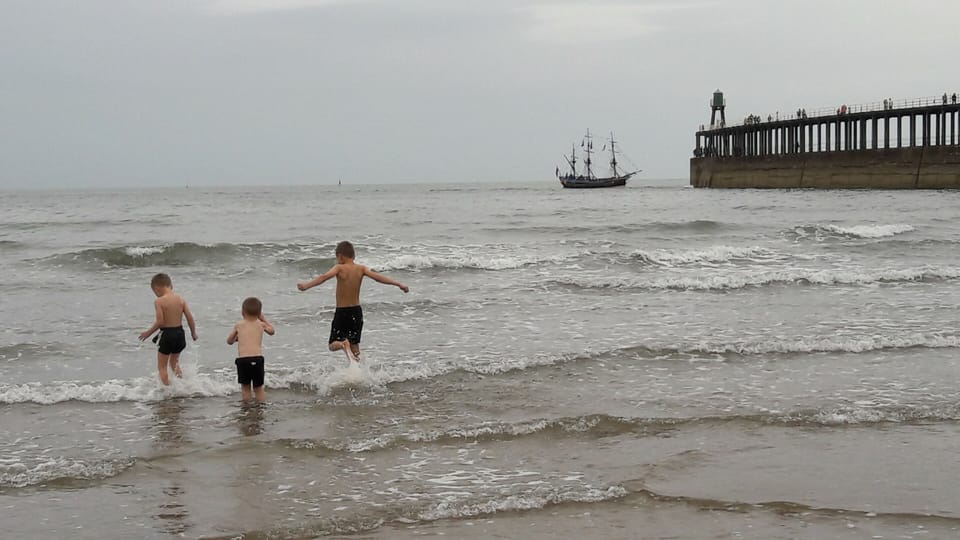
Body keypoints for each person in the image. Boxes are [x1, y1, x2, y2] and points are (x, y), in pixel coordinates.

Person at [297, 240, 409, 362]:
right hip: (356, 312)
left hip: (342, 312)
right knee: (355, 346)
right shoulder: (361, 269)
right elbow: (378, 278)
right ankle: (358, 373)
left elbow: (323, 277)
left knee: (333, 344)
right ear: (353, 256)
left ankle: (342, 344)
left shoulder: (339, 268)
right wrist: (398, 284)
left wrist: (306, 285)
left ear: (339, 256)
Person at [138, 273, 198, 385]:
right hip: (180, 334)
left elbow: (160, 322)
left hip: (167, 335)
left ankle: (166, 391)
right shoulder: (180, 299)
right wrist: (193, 334)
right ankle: (183, 386)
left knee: (162, 367)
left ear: (157, 288)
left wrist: (148, 333)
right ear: (171, 285)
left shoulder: (159, 301)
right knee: (174, 363)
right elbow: (190, 318)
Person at [226, 297, 275, 402]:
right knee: (258, 388)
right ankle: (261, 406)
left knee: (245, 387)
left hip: (243, 360)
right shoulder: (261, 324)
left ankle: (246, 408)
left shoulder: (239, 325)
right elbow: (272, 331)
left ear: (242, 311)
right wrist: (263, 319)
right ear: (259, 313)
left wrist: (237, 339)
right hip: (257, 359)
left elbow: (229, 341)